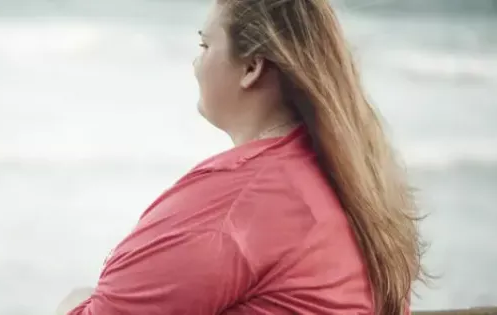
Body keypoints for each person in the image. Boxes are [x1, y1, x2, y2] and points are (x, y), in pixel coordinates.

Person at [57, 0, 426, 314]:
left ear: (251, 68)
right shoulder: (349, 180)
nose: (195, 64)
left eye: (204, 46)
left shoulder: (239, 201)